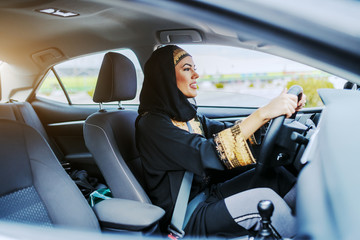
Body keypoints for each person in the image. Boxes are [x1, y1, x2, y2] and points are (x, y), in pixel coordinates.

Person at [136, 45, 306, 238]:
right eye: (186, 68)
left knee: (277, 175)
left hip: (209, 193)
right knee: (264, 201)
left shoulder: (189, 117)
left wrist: (280, 111)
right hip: (187, 216)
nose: (196, 74)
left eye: (194, 67)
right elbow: (206, 153)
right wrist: (264, 112)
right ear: (165, 77)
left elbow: (228, 130)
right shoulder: (152, 124)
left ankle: (304, 223)